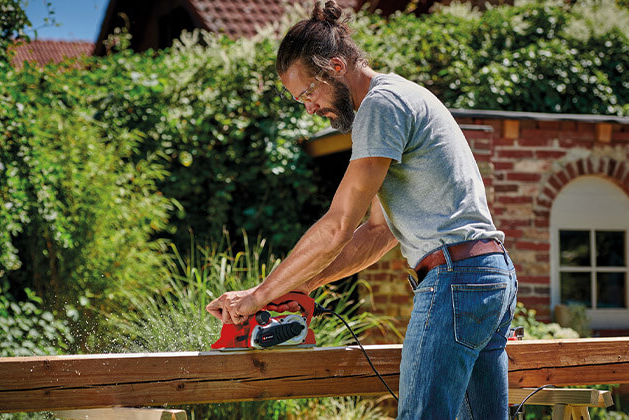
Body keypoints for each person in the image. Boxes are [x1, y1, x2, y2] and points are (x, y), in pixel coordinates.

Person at [206, 1, 517, 418]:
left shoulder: (380, 106)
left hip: (456, 281)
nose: (309, 108)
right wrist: (303, 285)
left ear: (336, 67)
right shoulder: (401, 97)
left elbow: (339, 225)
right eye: (300, 100)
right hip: (488, 276)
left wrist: (258, 295)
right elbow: (377, 231)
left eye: (308, 93)